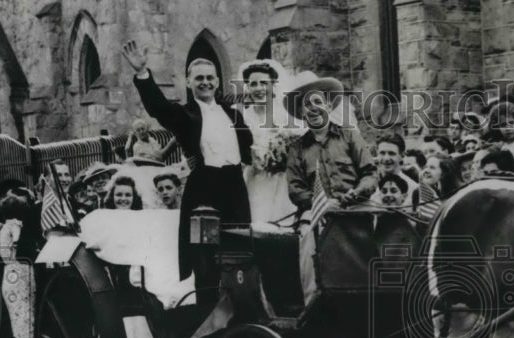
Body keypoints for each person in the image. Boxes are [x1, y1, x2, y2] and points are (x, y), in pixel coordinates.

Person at [121, 40, 253, 282]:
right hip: (204, 193)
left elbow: (249, 148)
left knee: (240, 250)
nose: (205, 82)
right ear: (189, 82)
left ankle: (240, 308)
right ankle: (208, 308)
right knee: (206, 255)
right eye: (199, 78)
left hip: (235, 189)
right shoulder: (185, 115)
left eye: (210, 78)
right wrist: (142, 73)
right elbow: (159, 108)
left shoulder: (233, 113)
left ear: (218, 81)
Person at [283, 71, 377, 213]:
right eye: (307, 104)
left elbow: (370, 173)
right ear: (301, 112)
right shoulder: (297, 149)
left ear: (328, 106)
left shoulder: (350, 136)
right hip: (318, 218)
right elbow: (296, 189)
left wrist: (357, 192)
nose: (313, 108)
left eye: (318, 102)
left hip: (356, 214)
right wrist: (321, 203)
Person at [237, 59, 300, 226]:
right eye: (253, 84)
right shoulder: (241, 116)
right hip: (252, 179)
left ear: (273, 86)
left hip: (280, 181)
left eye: (264, 83)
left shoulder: (286, 116)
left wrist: (281, 157)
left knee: (280, 224)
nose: (259, 88)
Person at [0, 190, 41, 338]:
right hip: (20, 274)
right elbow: (17, 245)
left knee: (22, 324)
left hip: (12, 274)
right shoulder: (15, 227)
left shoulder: (4, 228)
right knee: (23, 325)